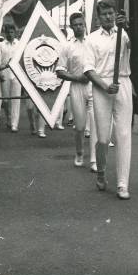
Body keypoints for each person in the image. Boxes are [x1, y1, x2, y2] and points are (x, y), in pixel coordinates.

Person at [84, 0, 132, 200]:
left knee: (123, 135)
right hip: (102, 86)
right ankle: (102, 170)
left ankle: (122, 184)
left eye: (111, 13)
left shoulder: (124, 34)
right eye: (104, 14)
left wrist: (128, 27)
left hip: (122, 82)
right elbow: (88, 69)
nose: (109, 17)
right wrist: (104, 86)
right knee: (103, 138)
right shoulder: (92, 39)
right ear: (98, 16)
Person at [56, 12, 97, 171]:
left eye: (81, 24)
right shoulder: (67, 46)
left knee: (95, 125)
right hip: (77, 87)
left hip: (94, 86)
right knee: (79, 126)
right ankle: (79, 153)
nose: (79, 27)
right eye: (75, 25)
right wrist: (77, 78)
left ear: (85, 24)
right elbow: (59, 71)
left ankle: (94, 159)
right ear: (71, 27)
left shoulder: (93, 42)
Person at [0, 23, 21, 132]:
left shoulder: (20, 44)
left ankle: (14, 124)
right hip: (5, 72)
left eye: (12, 32)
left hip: (17, 74)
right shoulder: (1, 45)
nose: (10, 34)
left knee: (16, 99)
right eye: (8, 32)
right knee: (6, 100)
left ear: (15, 33)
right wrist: (0, 74)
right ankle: (8, 117)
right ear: (5, 33)